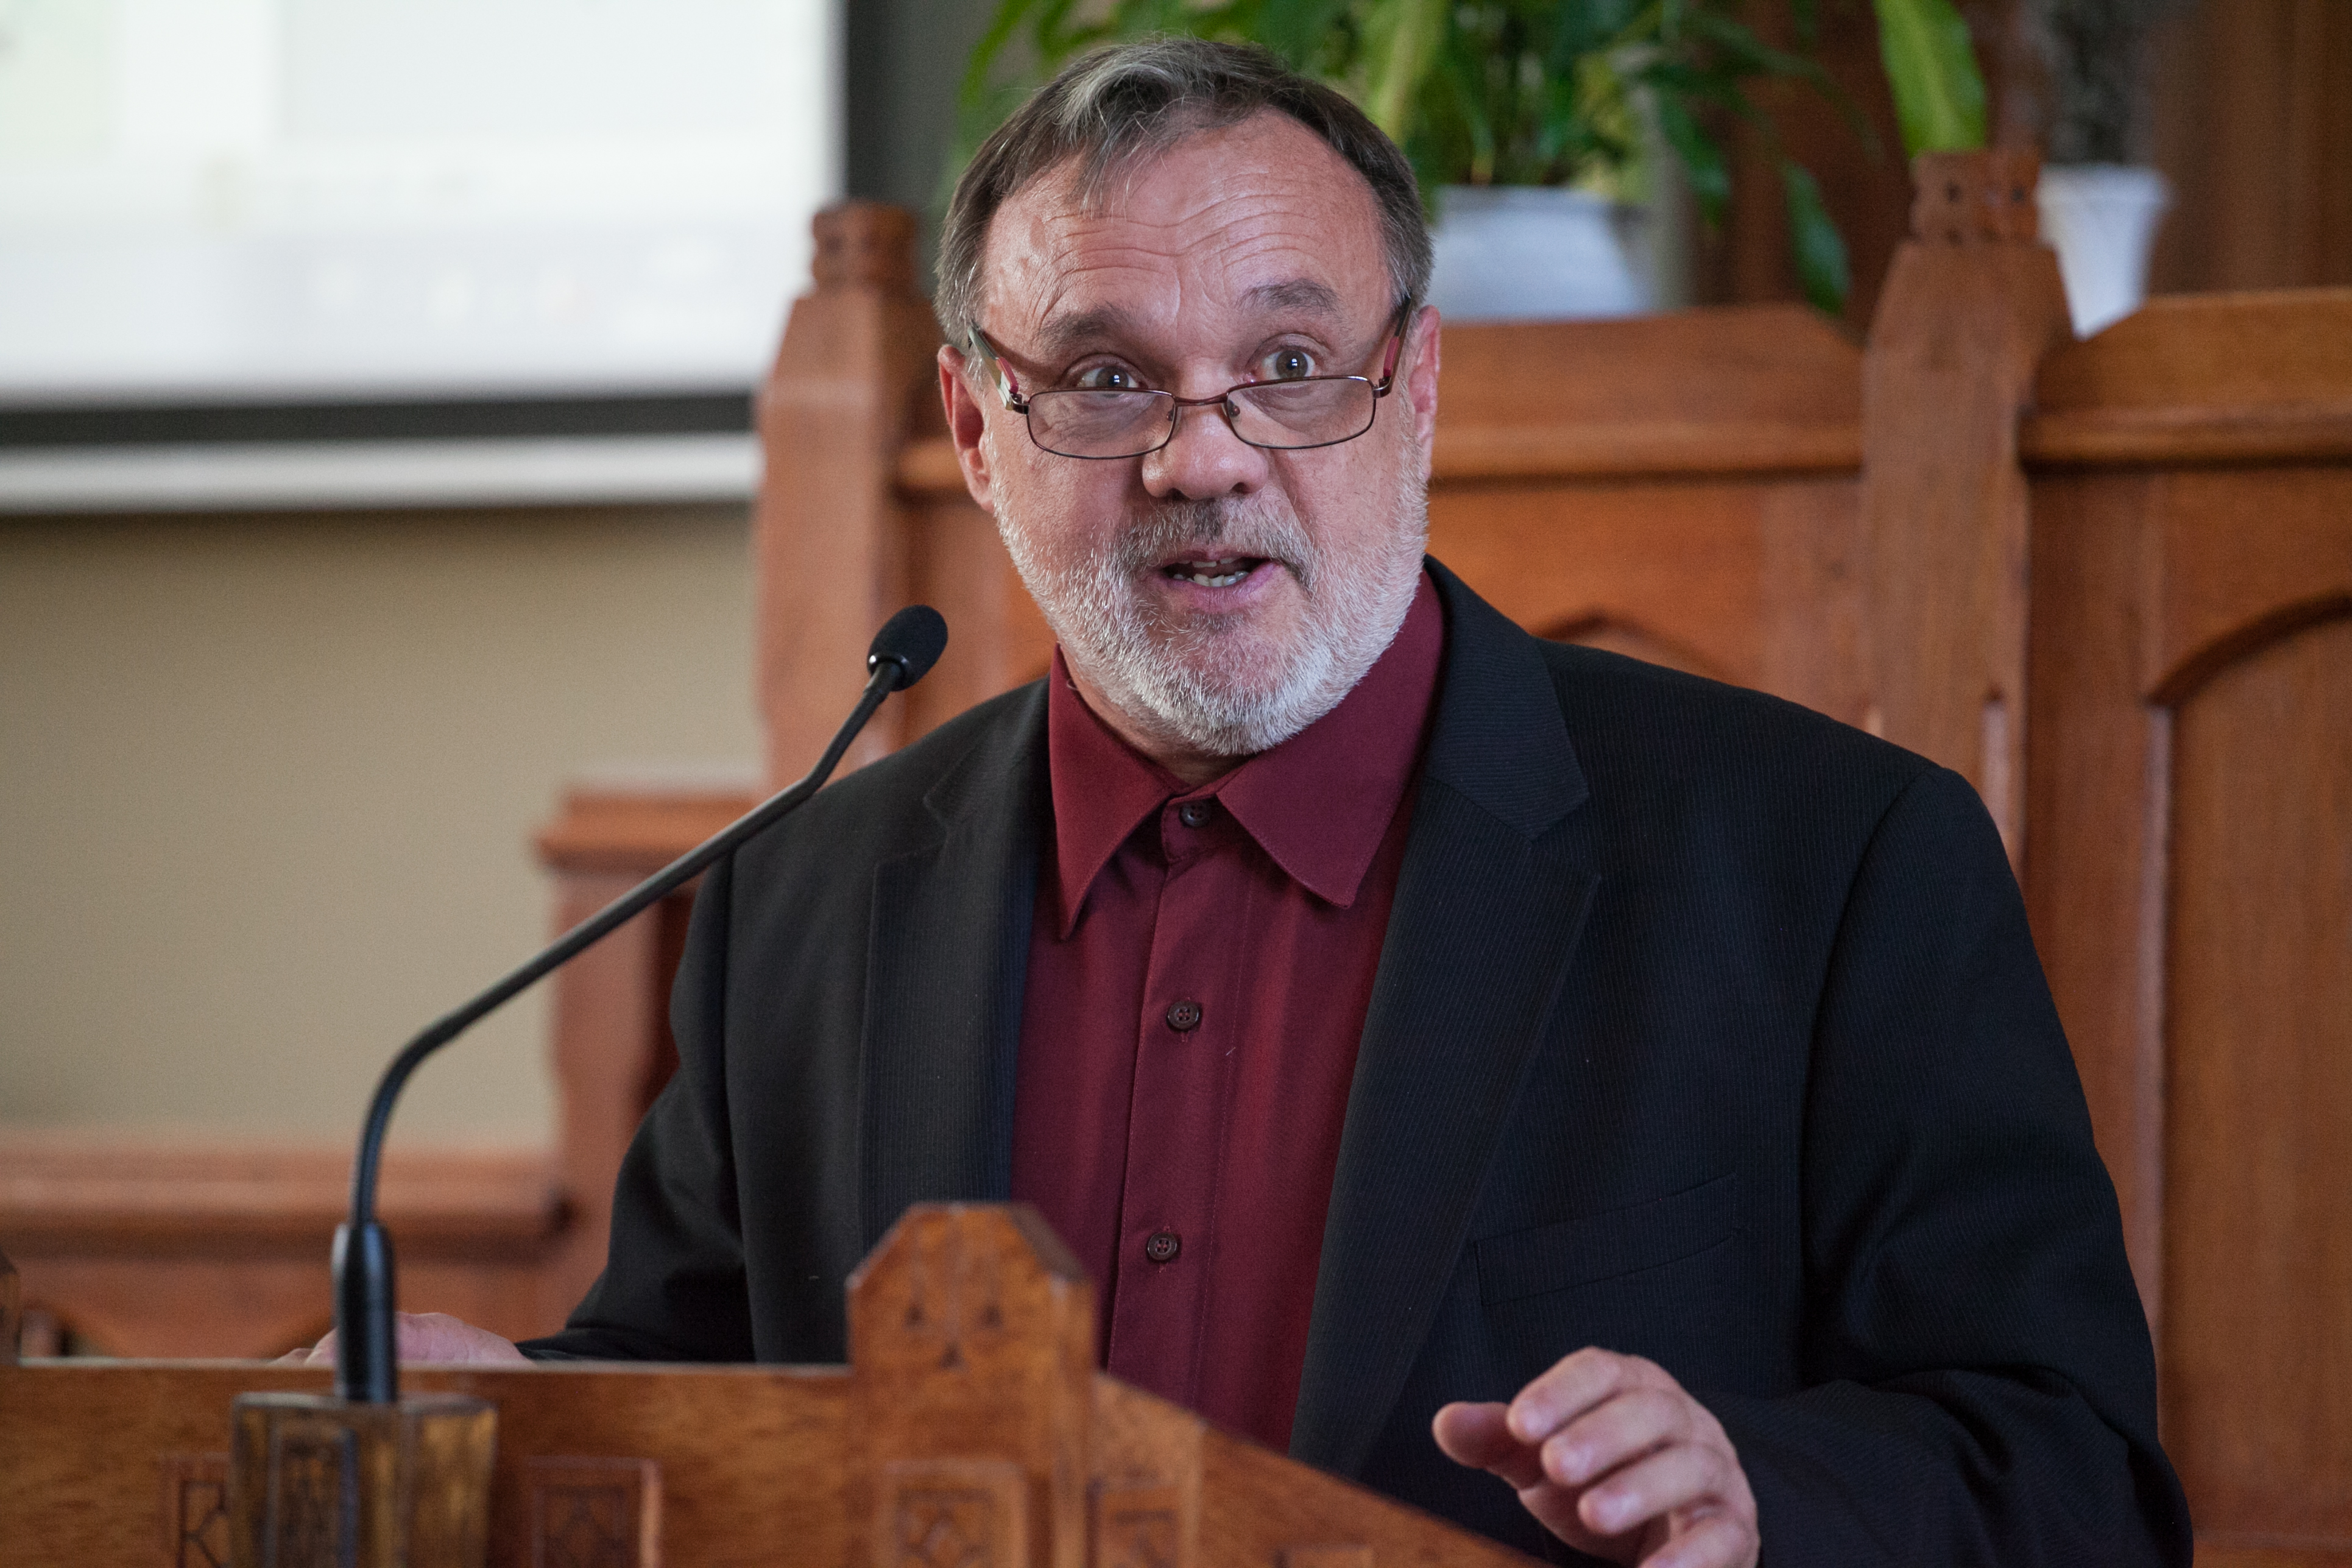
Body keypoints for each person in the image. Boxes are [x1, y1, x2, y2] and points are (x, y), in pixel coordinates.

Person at [299, 39, 2191, 1568]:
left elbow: (2079, 1481)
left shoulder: (1828, 865)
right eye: (1106, 379)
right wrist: (521, 1401)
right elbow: (705, 1399)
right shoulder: (808, 898)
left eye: (1290, 368)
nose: (1202, 460)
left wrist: (1763, 1494)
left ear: (1417, 390)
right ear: (973, 431)